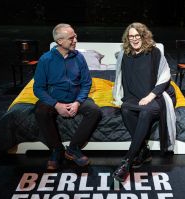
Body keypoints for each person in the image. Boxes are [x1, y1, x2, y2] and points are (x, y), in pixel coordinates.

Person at [112, 22, 176, 182]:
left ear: (143, 35)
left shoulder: (154, 52)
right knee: (125, 109)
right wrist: (119, 96)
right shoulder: (124, 54)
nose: (134, 39)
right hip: (133, 98)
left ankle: (126, 162)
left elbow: (165, 75)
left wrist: (150, 96)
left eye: (137, 35)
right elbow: (119, 77)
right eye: (131, 36)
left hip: (155, 97)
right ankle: (144, 151)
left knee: (147, 110)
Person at [33, 23, 101, 171]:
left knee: (94, 110)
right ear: (59, 41)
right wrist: (56, 104)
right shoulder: (46, 59)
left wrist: (77, 102)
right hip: (54, 99)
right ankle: (56, 149)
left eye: (75, 36)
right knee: (40, 111)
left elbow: (86, 83)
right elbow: (38, 88)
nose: (75, 40)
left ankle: (73, 149)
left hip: (75, 97)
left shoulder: (79, 57)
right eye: (71, 38)